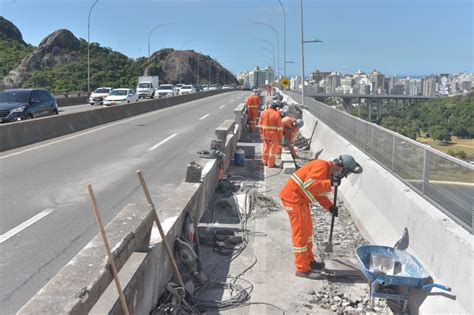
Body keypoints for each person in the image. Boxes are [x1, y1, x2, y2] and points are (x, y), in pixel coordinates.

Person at [278, 155, 361, 279]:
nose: (340, 174)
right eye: (342, 172)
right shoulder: (321, 166)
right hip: (293, 200)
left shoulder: (326, 171)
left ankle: (309, 261)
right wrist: (330, 183)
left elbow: (317, 192)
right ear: (339, 166)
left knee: (307, 233)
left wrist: (330, 207)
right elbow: (309, 185)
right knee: (300, 235)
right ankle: (302, 269)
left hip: (300, 201)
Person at [258, 101, 284, 167]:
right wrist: (280, 137)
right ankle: (270, 164)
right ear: (276, 108)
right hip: (274, 135)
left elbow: (260, 125)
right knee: (273, 150)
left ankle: (264, 161)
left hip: (265, 134)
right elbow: (280, 128)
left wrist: (261, 133)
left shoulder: (263, 113)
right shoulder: (276, 114)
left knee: (266, 148)